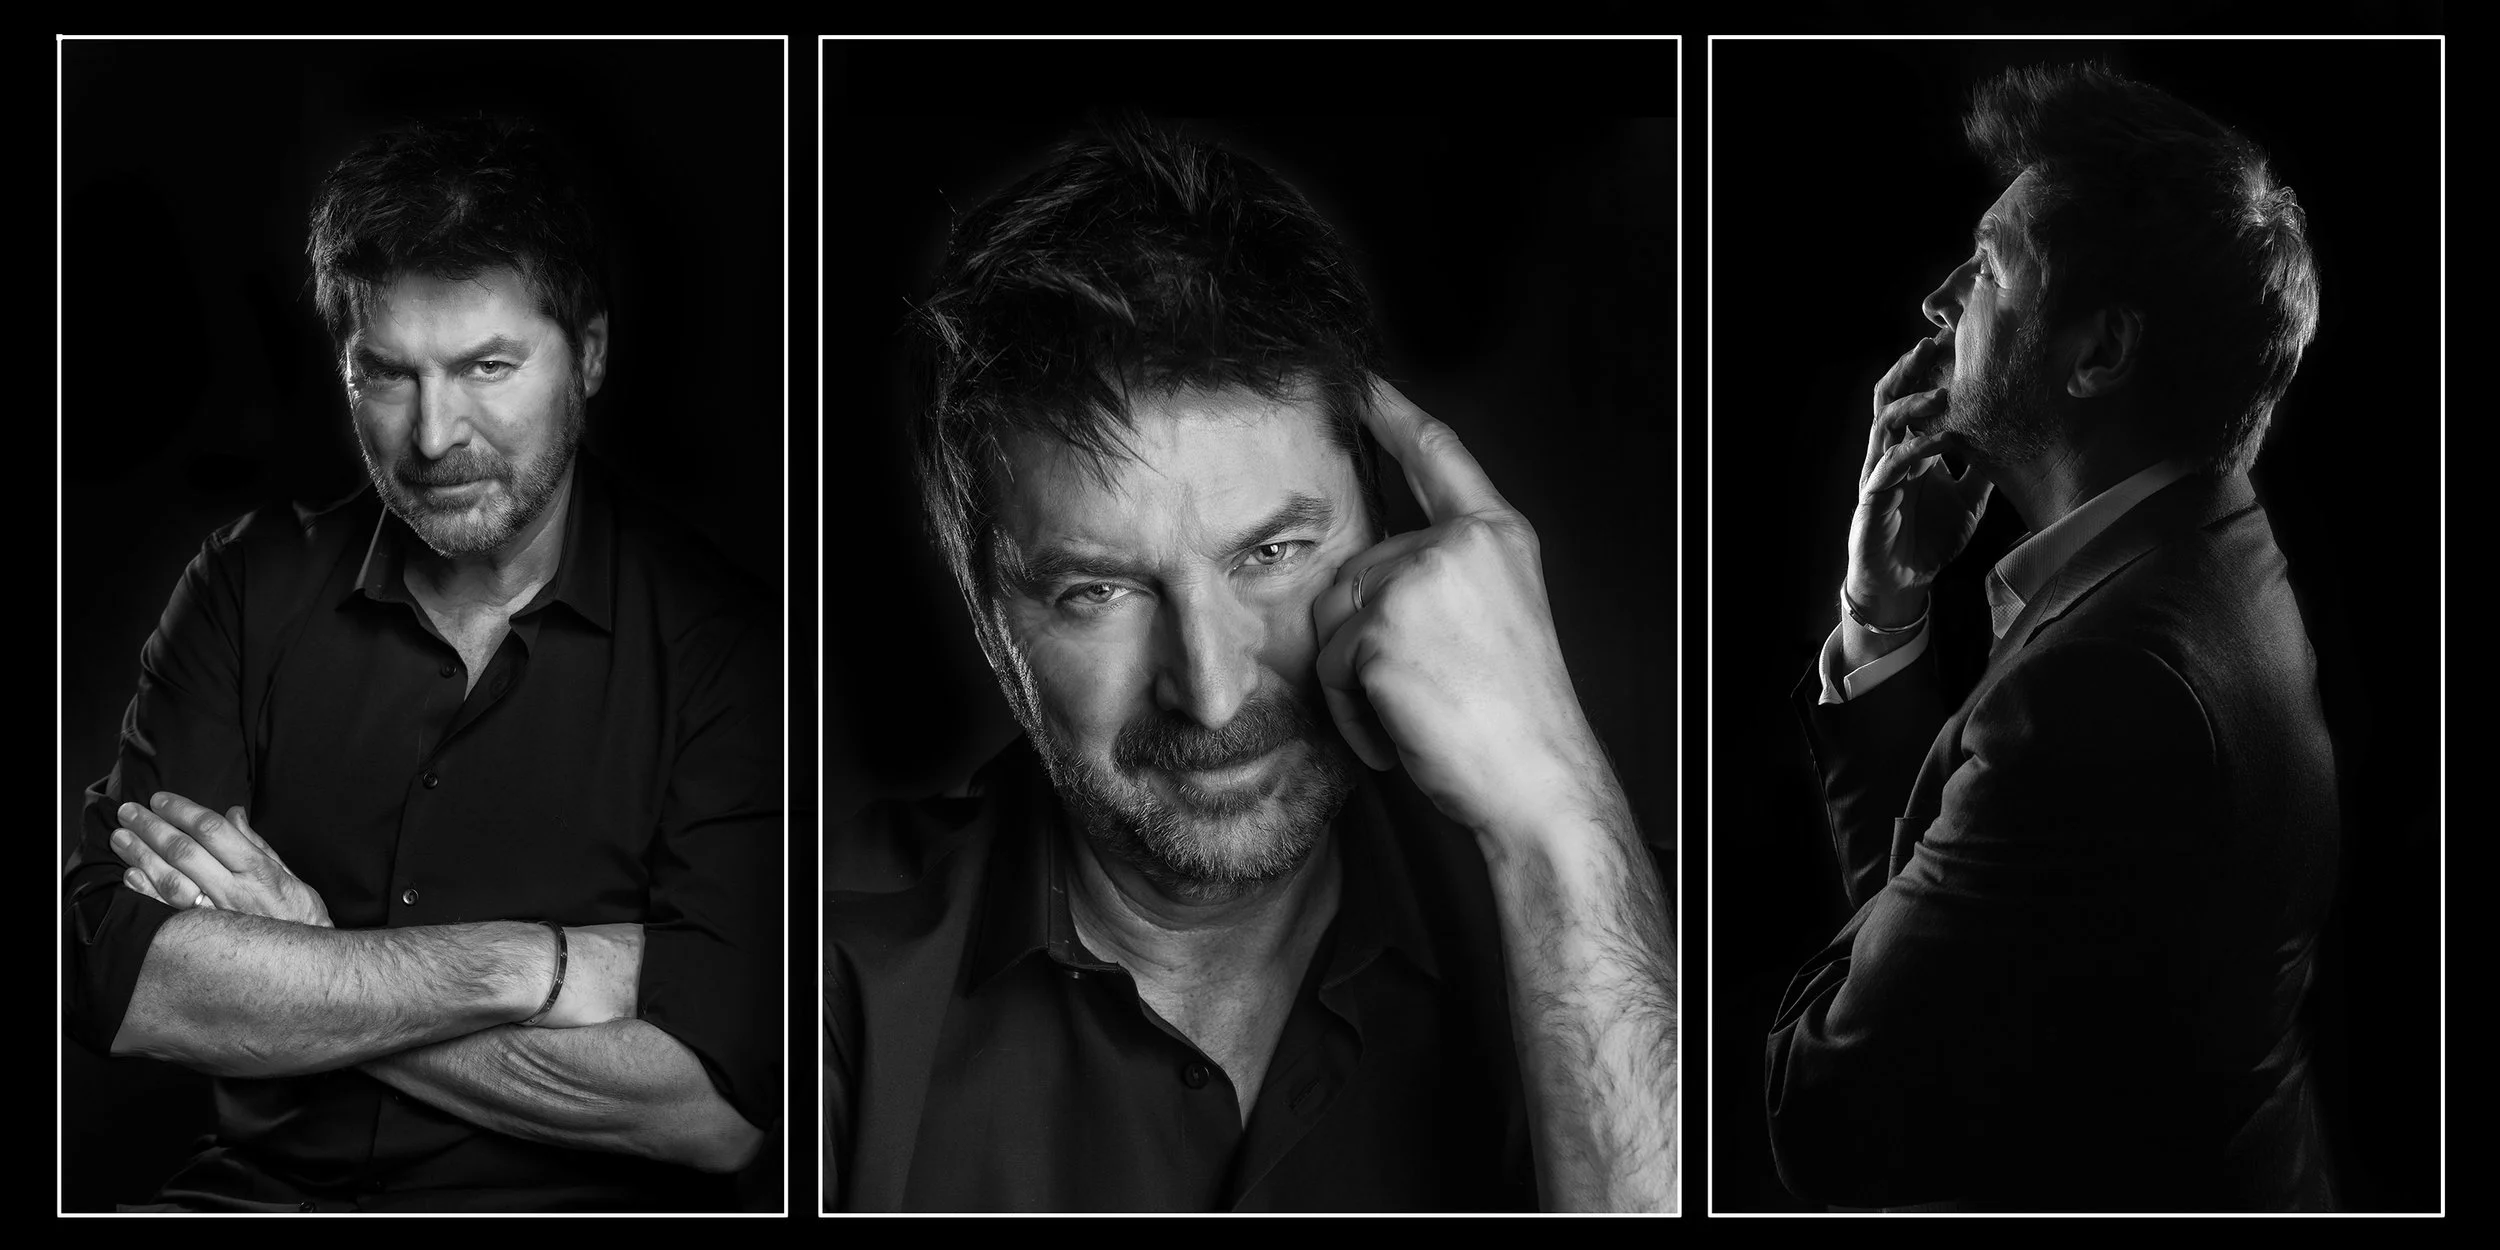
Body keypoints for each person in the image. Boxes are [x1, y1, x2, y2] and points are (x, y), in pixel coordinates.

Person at [823, 120, 1677, 1212]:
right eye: (1100, 590)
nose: (1213, 689)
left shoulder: (1637, 938)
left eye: (1270, 555)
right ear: (991, 621)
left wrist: (1560, 827)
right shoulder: (820, 980)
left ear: (1390, 530)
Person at [61, 116, 779, 1212]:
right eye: (386, 374)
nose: (435, 434)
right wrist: (520, 966)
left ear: (587, 354)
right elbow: (134, 980)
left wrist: (306, 959)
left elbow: (712, 1113)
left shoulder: (723, 645)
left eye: (488, 366)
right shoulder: (247, 588)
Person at [1767, 63, 2336, 1211]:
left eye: (1984, 266)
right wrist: (1886, 610)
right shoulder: (2208, 553)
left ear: (2098, 353)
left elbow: (1824, 1103)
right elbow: (1947, 953)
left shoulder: (2104, 685)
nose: (1938, 302)